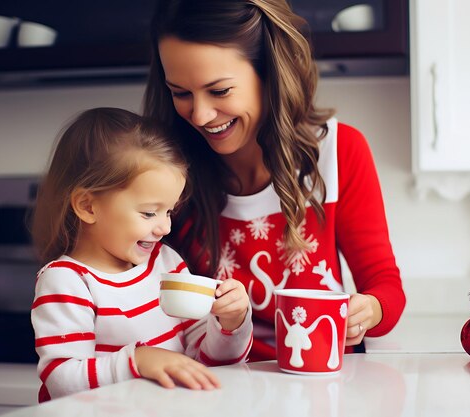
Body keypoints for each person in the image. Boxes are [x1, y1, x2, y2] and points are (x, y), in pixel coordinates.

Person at [143, 0, 405, 360]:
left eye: (219, 91)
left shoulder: (338, 152)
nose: (201, 115)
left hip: (315, 383)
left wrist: (368, 311)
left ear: (271, 74)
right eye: (181, 93)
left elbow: (385, 286)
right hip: (215, 385)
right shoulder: (168, 169)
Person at [30, 108, 253, 401]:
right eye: (149, 212)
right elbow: (61, 381)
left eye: (169, 211)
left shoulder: (166, 263)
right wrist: (139, 361)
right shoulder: (68, 282)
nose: (165, 226)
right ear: (88, 206)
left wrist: (230, 322)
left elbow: (208, 361)